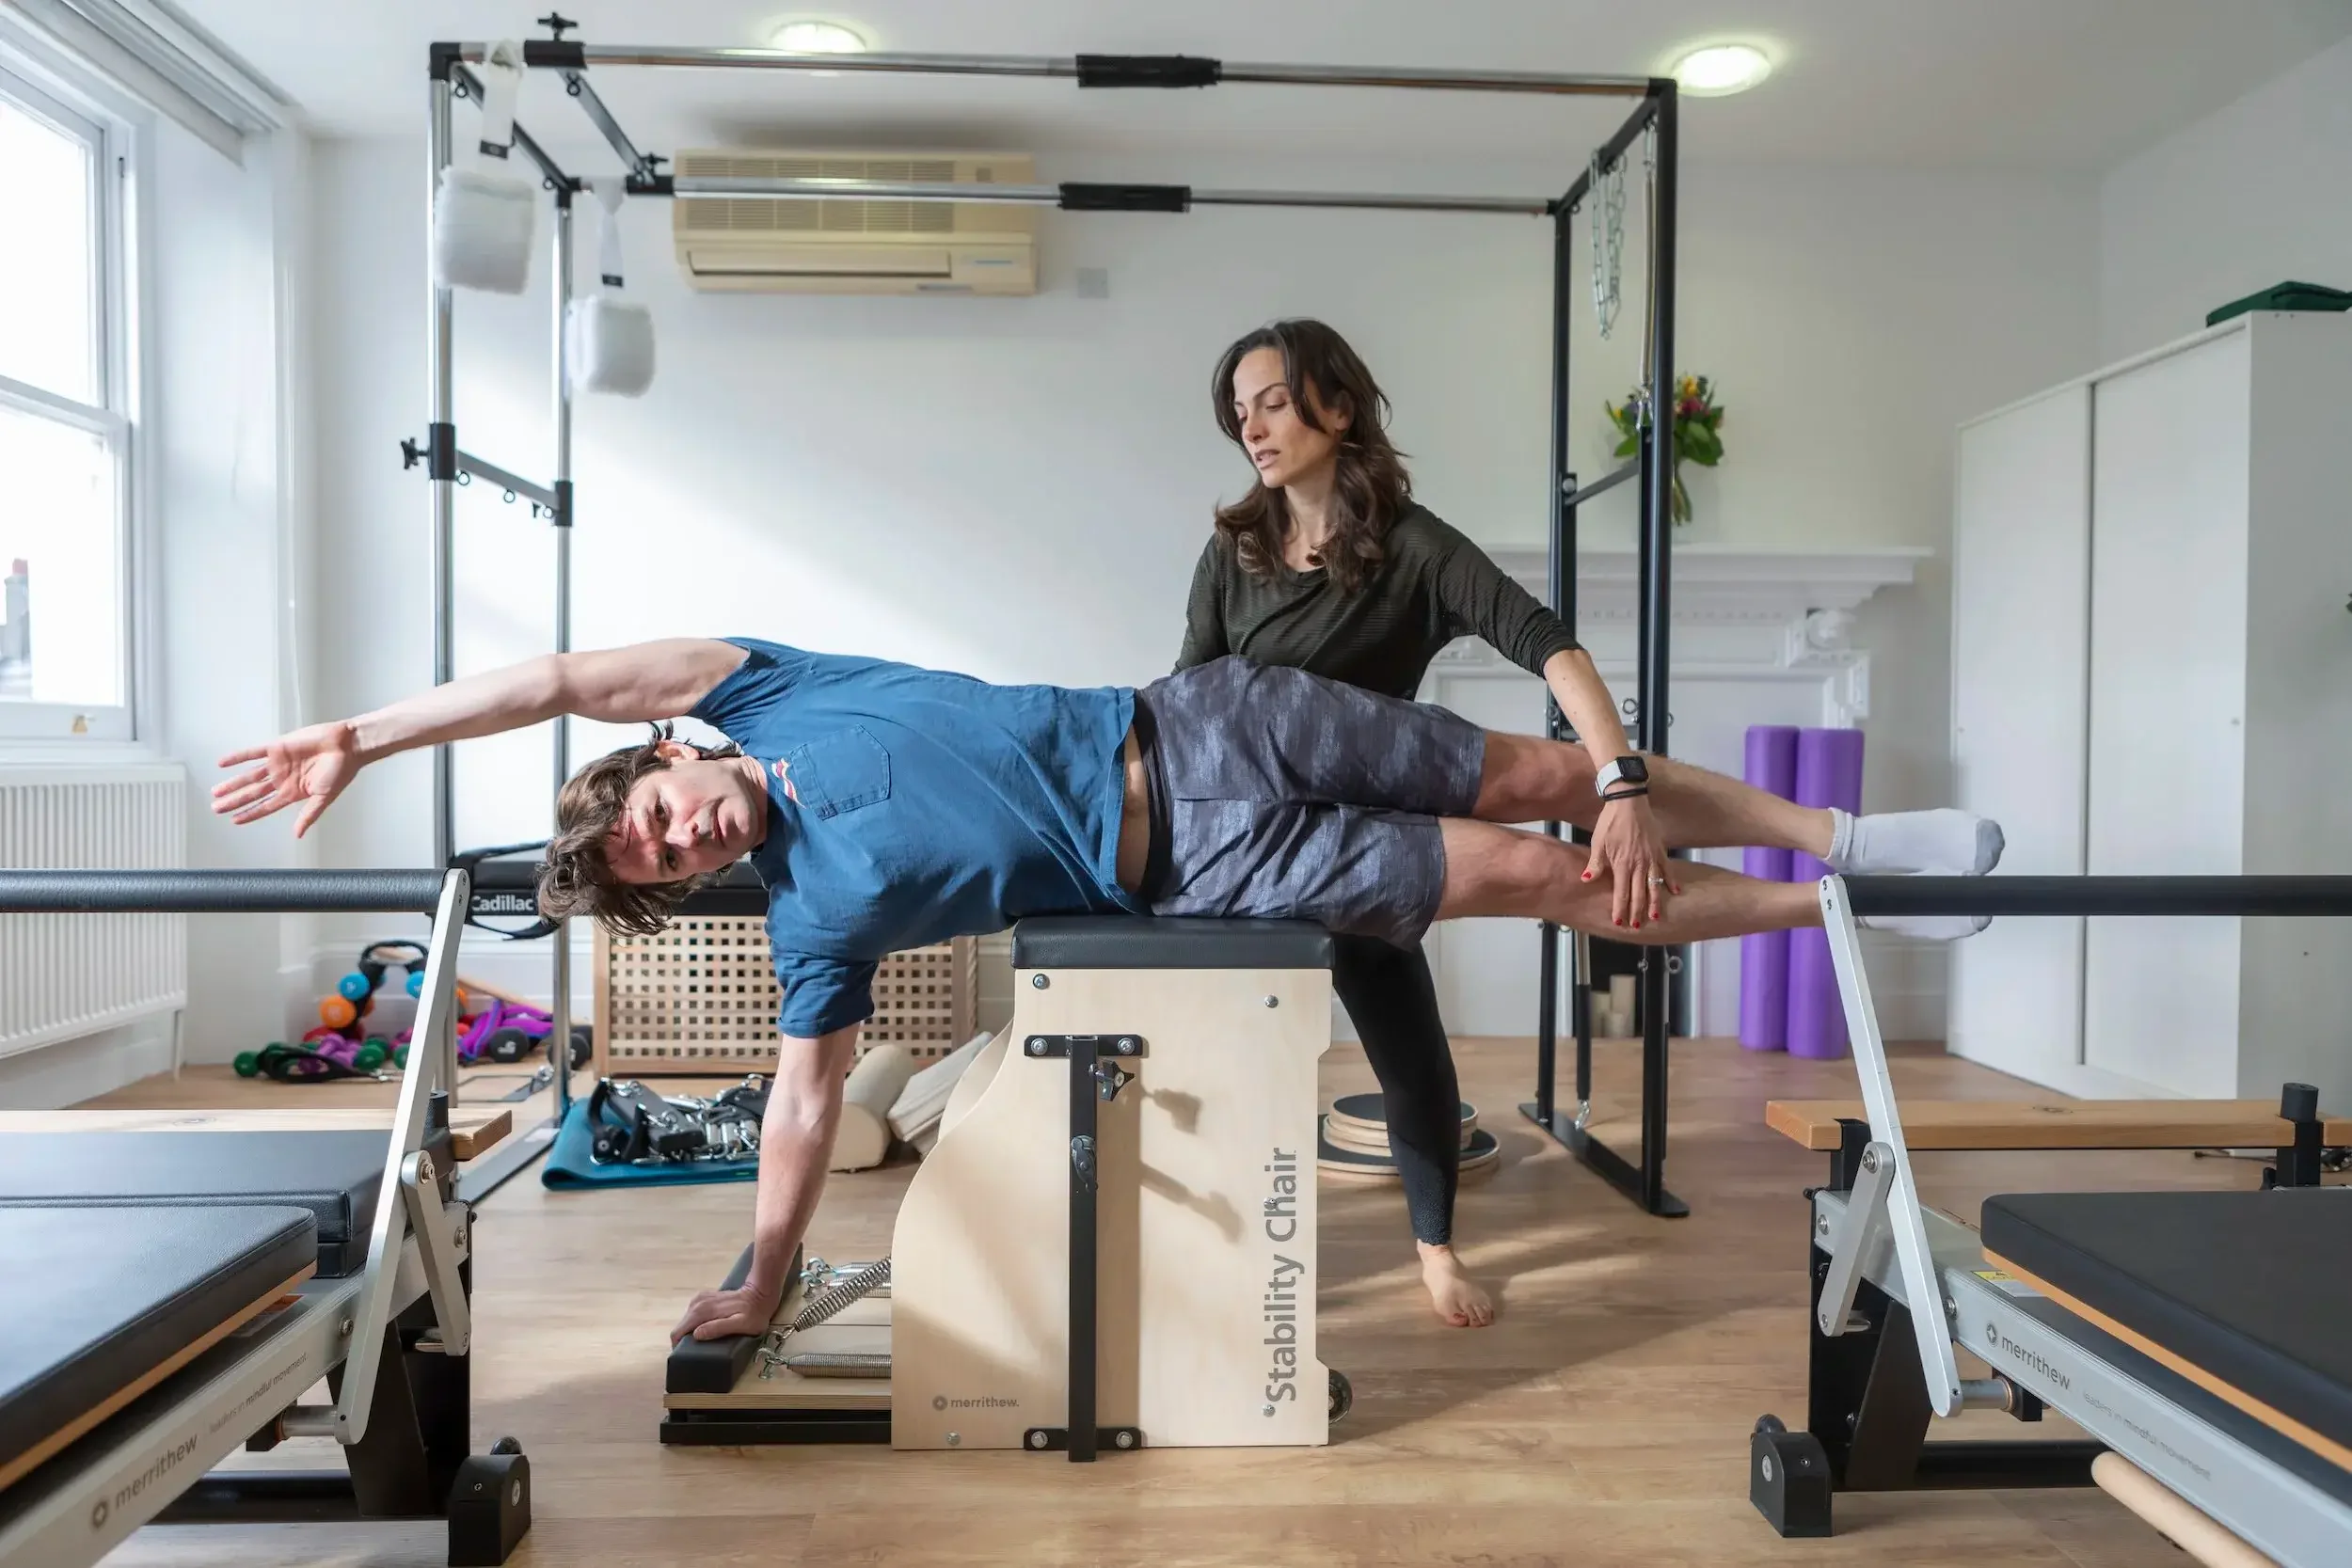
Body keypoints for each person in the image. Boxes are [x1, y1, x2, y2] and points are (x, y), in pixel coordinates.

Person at [212, 636, 1994, 1348]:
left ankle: (1849, 838)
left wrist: (363, 728)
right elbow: (808, 1101)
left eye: (659, 816)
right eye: (665, 866)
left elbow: (552, 679)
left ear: (670, 752)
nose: (680, 840)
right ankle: (1855, 915)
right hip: (1209, 863)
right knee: (1541, 881)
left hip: (1208, 719)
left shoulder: (758, 687)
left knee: (1548, 778)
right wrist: (762, 1272)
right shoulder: (816, 920)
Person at [1178, 318, 2003, 1328]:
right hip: (1268, 848)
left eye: (1272, 402)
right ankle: (1846, 902)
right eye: (1240, 411)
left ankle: (1848, 844)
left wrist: (1624, 788)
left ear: (1337, 407)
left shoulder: (1411, 545)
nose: (1253, 427)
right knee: (1426, 1027)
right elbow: (1186, 703)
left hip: (1385, 810)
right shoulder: (1232, 552)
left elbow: (1544, 640)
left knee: (1570, 804)